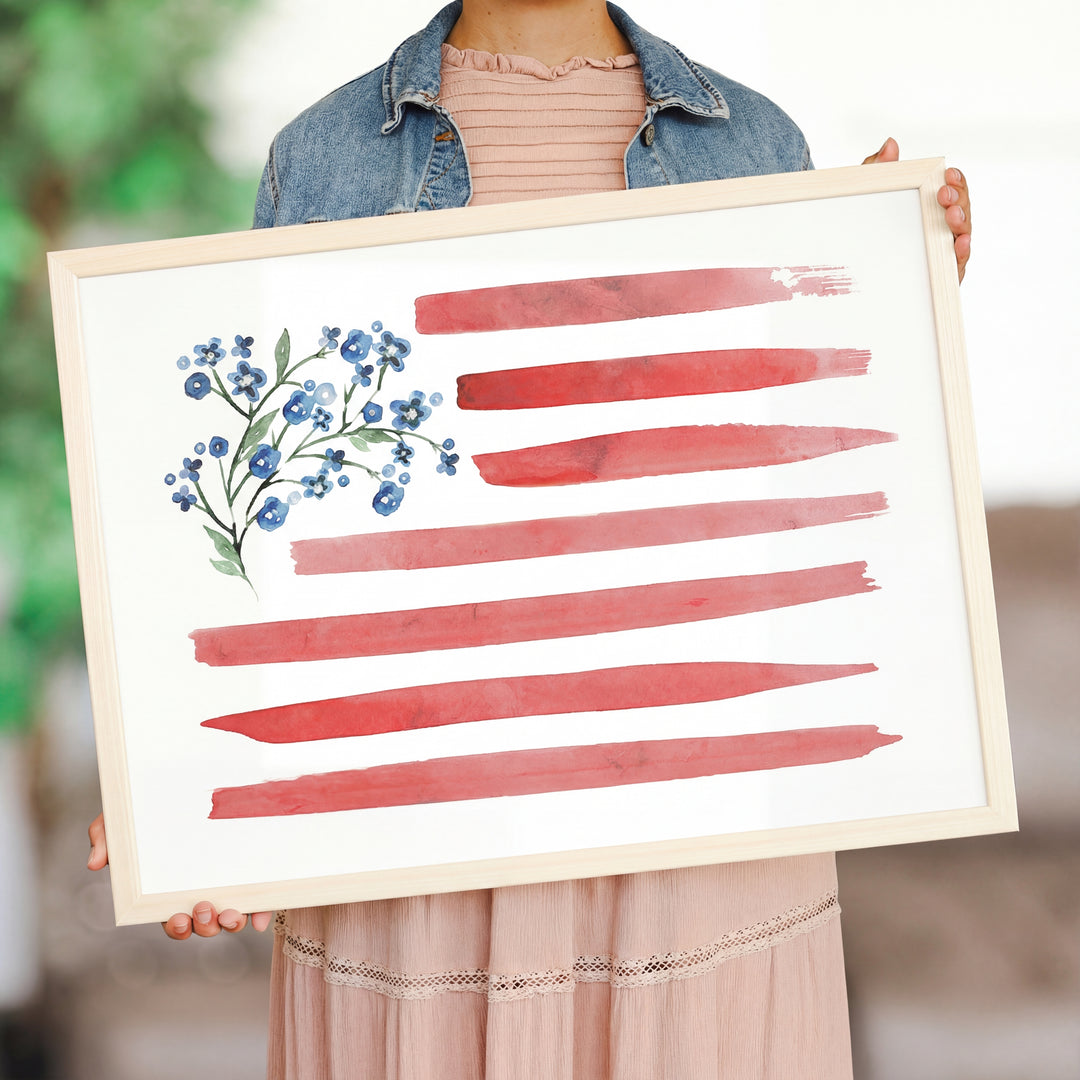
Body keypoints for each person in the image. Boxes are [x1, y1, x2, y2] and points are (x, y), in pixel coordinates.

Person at [88, 2, 972, 1076]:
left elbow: (792, 489)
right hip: (421, 865)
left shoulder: (758, 143)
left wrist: (899, 301)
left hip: (700, 845)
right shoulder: (319, 155)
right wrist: (185, 796)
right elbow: (271, 518)